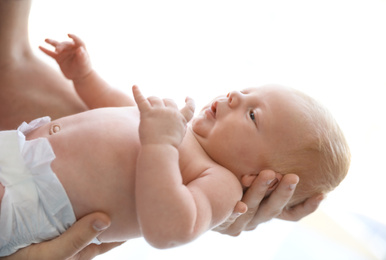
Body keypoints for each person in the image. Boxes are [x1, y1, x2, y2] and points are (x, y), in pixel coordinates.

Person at [0, 33, 350, 256]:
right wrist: (84, 75)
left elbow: (168, 232)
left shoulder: (219, 183)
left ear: (263, 178)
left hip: (33, 204)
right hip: (15, 152)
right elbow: (113, 103)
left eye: (253, 114)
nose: (235, 95)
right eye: (247, 90)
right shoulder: (174, 123)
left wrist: (159, 145)